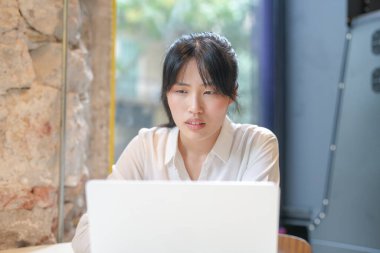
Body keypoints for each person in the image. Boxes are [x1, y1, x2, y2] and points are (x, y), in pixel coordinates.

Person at [71, 32, 279, 253]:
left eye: (209, 91)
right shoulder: (146, 146)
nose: (194, 107)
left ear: (232, 93)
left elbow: (250, 242)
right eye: (181, 91)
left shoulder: (257, 145)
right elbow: (87, 234)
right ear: (166, 93)